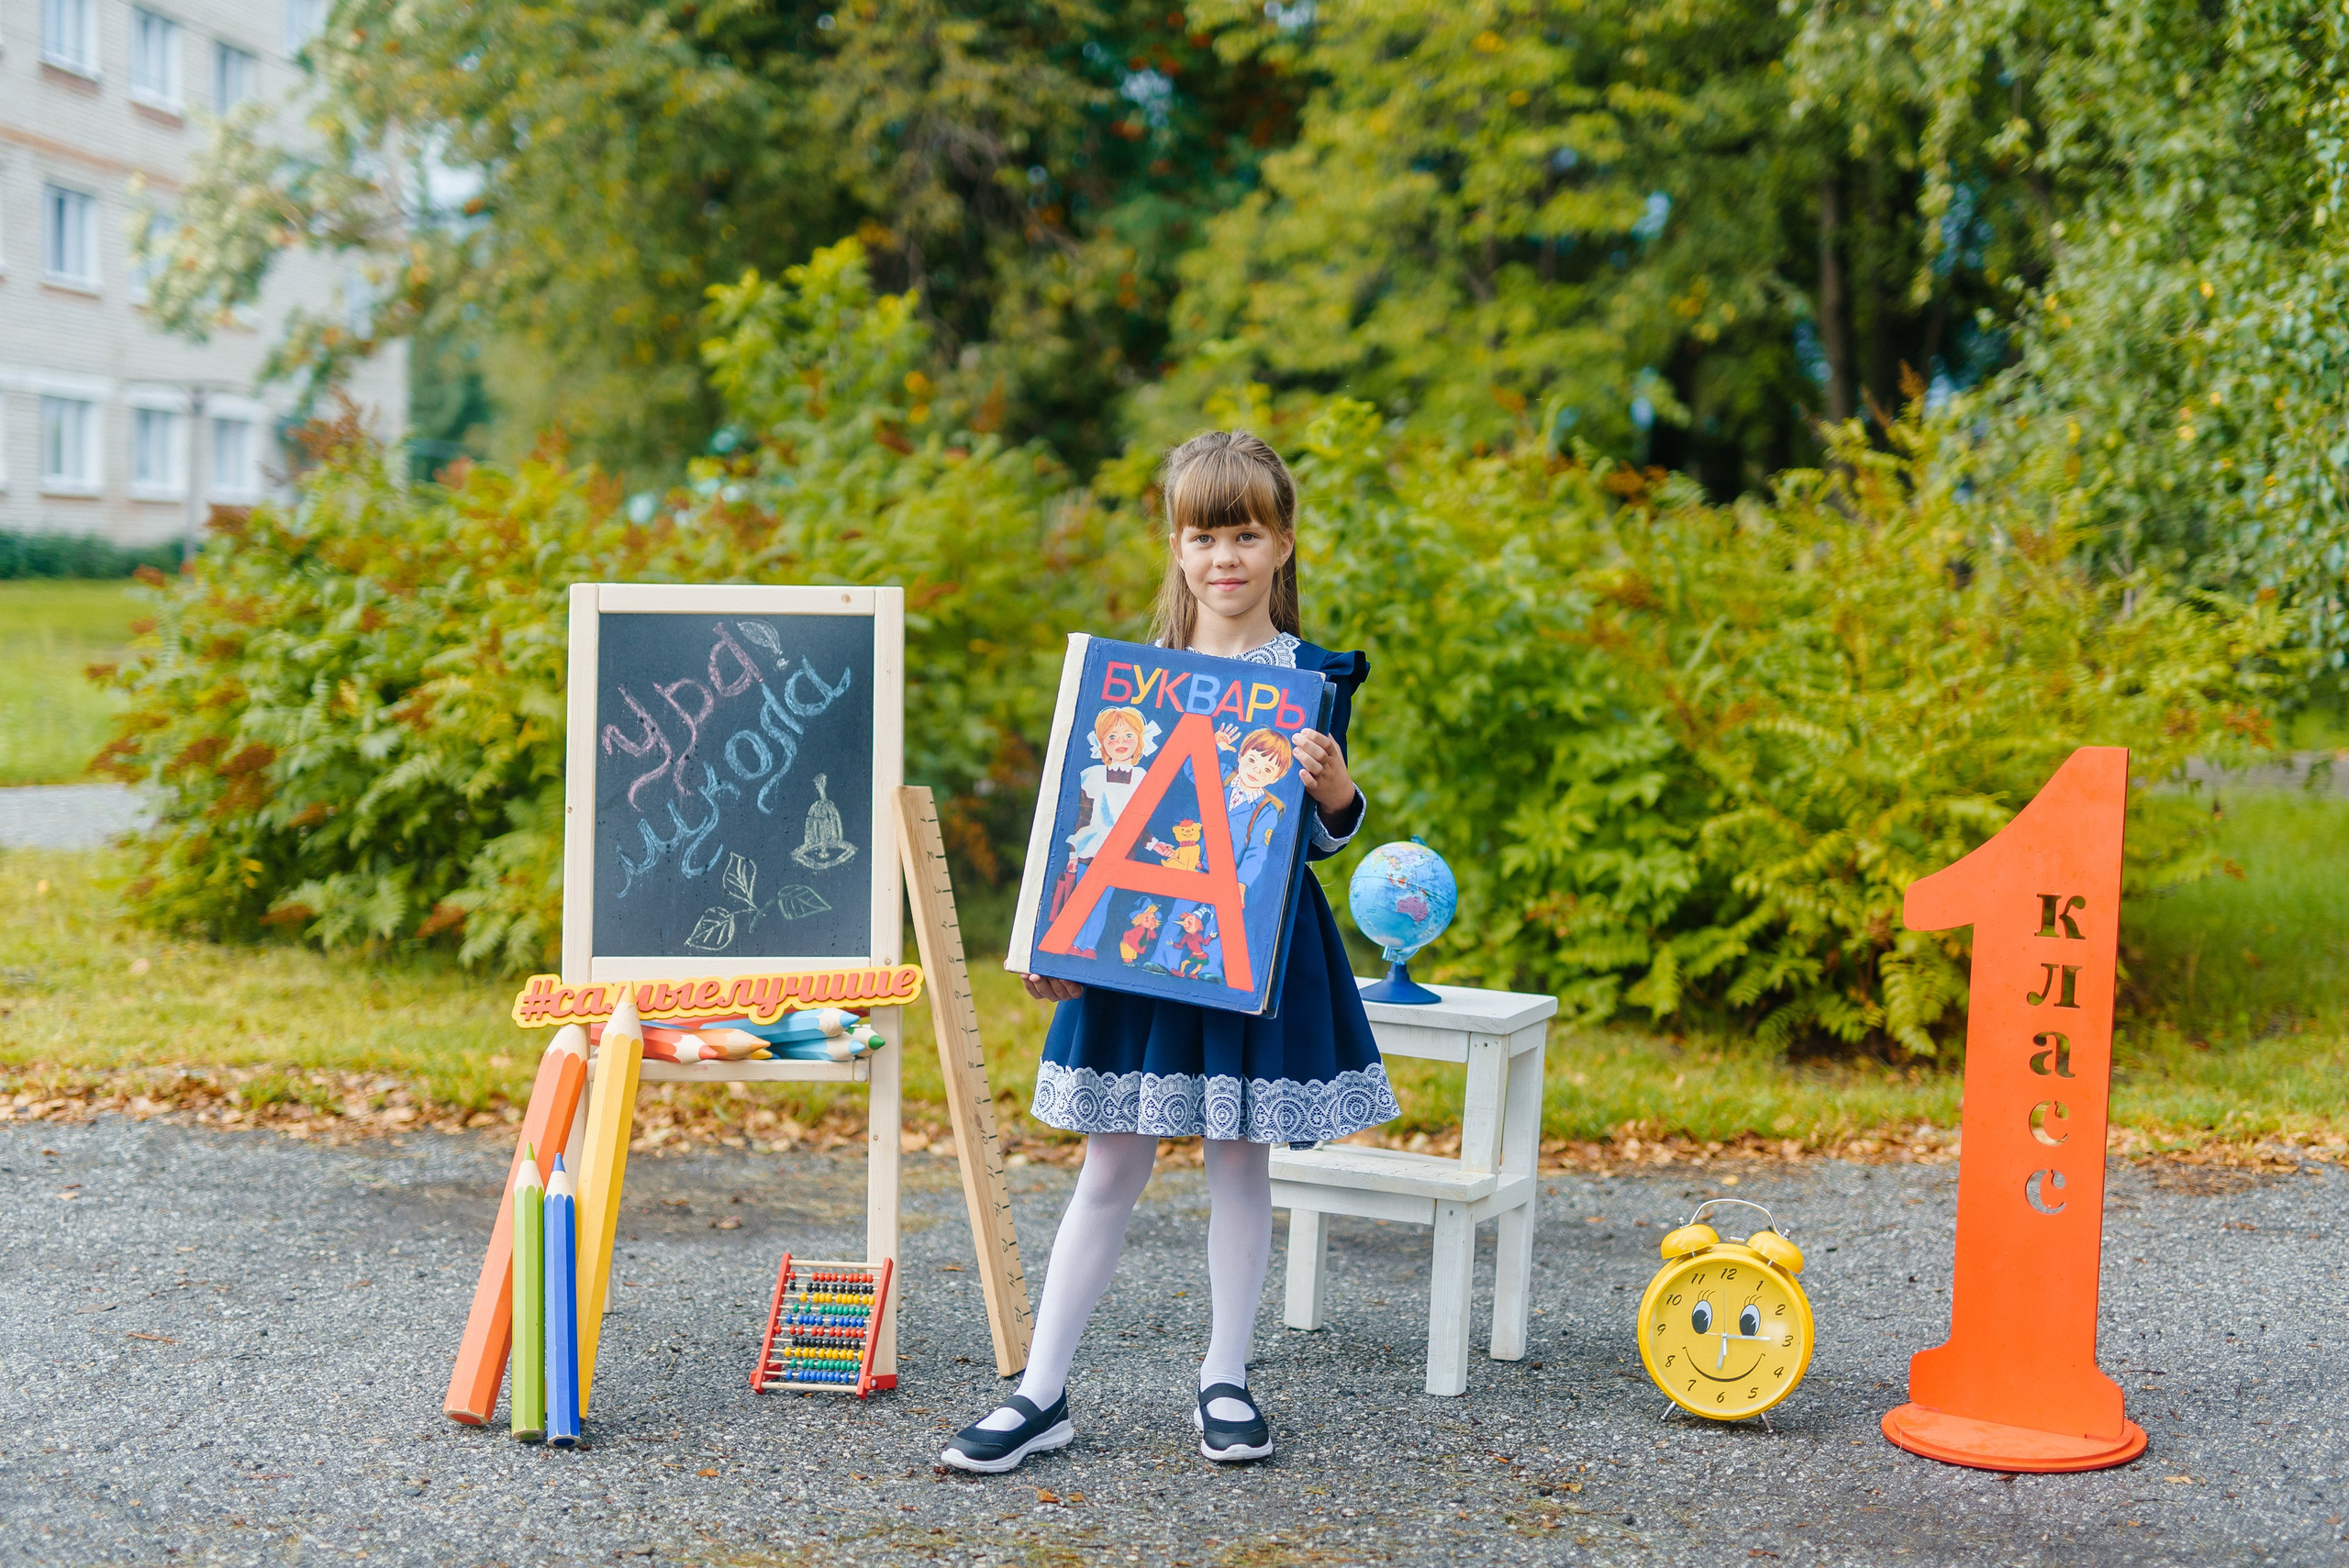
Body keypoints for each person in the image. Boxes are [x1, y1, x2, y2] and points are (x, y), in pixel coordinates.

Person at [941, 429, 1399, 1474]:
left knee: (1240, 1158)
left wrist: (1338, 794)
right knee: (1110, 1161)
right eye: (1204, 536)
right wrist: (1056, 936)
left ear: (1282, 544)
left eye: (1246, 534)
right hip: (1139, 945)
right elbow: (1088, 828)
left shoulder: (1310, 678)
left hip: (1253, 948)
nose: (1224, 557)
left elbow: (1310, 840)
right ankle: (1040, 1390)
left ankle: (1225, 1376)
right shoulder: (1127, 682)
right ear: (1177, 545)